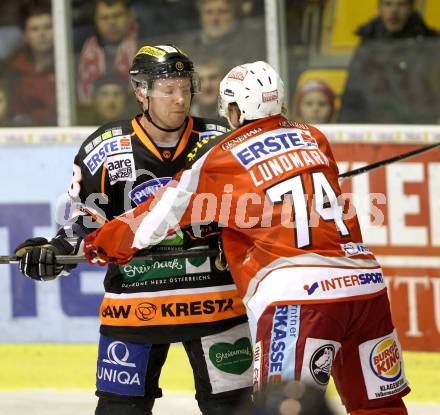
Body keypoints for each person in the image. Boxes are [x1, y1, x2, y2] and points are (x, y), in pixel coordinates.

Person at [83, 60, 411, 414]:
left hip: (299, 296)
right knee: (381, 406)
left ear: (237, 110)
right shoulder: (314, 136)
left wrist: (99, 244)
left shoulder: (222, 155)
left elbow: (156, 215)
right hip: (365, 284)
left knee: (284, 406)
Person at [14, 45, 253, 415]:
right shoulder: (103, 149)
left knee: (234, 409)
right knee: (119, 409)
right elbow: (82, 227)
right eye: (167, 89)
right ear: (141, 91)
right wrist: (51, 253)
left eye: (185, 87)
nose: (180, 98)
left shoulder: (222, 140)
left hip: (216, 304)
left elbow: (252, 216)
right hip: (136, 305)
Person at [339, 0, 439, 123]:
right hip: (372, 129)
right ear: (379, 8)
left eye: (401, 5)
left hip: (417, 128)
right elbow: (352, 98)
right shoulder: (366, 46)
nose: (394, 11)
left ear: (411, 8)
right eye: (388, 4)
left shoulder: (430, 46)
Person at [77, 0, 139, 106]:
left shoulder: (146, 45)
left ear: (130, 17)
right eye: (104, 18)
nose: (111, 22)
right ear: (95, 21)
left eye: (117, 15)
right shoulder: (83, 49)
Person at [5, 0, 56, 126]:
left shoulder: (68, 66)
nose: (42, 34)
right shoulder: (13, 69)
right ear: (26, 35)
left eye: (47, 27)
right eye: (34, 29)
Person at [178, 0, 266, 68]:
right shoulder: (188, 47)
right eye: (209, 12)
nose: (215, 19)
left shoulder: (251, 43)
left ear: (234, 15)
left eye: (222, 12)